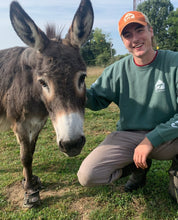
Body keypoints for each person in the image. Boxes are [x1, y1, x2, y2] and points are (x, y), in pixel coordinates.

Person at [77, 11, 178, 202]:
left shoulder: (174, 62)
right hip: (130, 136)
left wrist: (151, 139)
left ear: (150, 31)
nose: (135, 39)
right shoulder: (116, 70)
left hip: (169, 137)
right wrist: (74, 88)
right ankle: (138, 167)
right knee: (88, 175)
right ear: (123, 41)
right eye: (128, 35)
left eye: (139, 30)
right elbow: (96, 99)